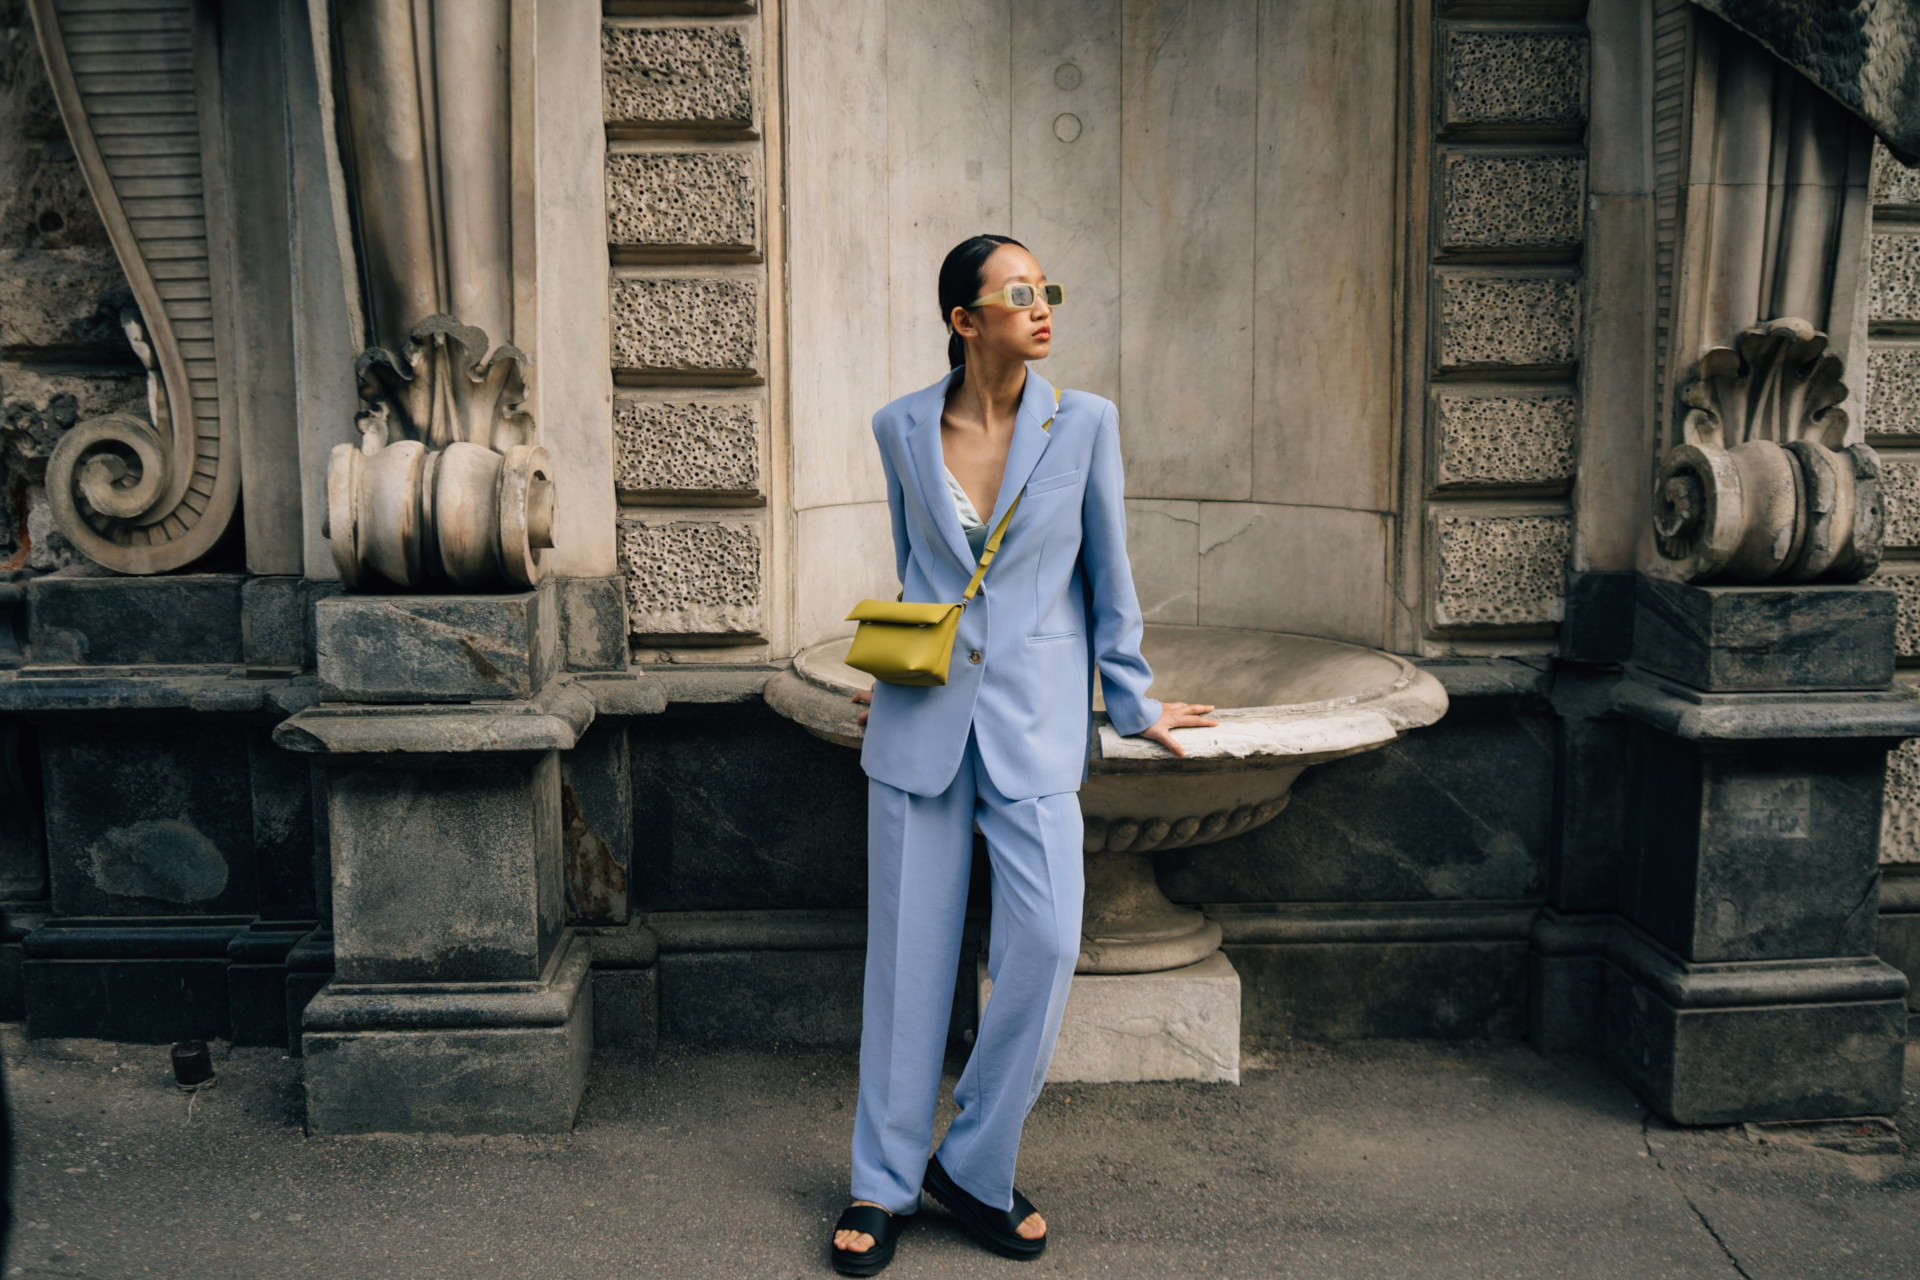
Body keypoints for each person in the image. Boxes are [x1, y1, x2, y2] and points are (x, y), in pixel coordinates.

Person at [829, 235, 1216, 1275]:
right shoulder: (900, 427)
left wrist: (1132, 701)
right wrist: (894, 663)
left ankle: (974, 1159)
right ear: (966, 319)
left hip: (1036, 723)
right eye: (1019, 293)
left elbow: (1107, 571)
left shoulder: (1085, 424)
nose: (1043, 306)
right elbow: (918, 564)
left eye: (1048, 289)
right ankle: (881, 1179)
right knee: (908, 965)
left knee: (1044, 942)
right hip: (922, 723)